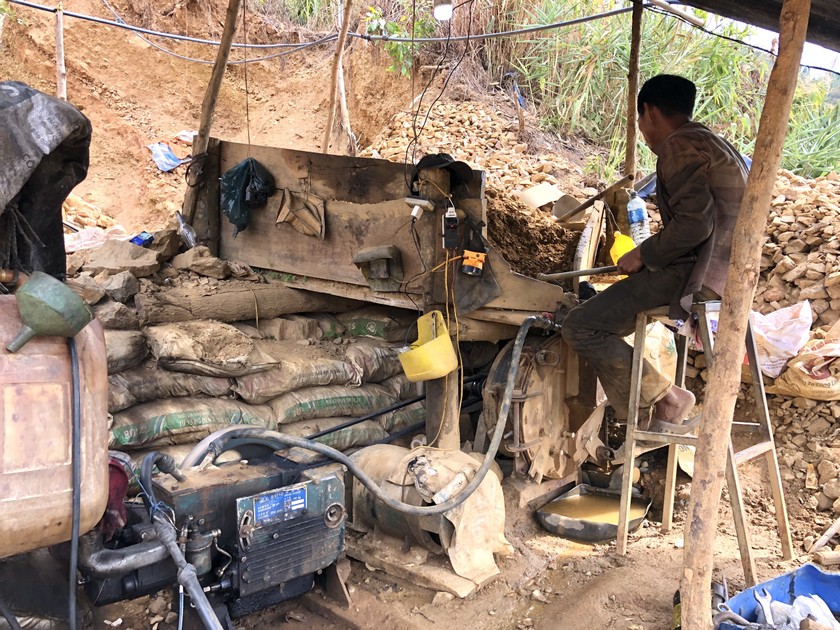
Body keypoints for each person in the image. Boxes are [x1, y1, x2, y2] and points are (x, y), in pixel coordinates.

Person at [561, 74, 749, 432]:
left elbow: (694, 226)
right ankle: (660, 400)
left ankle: (667, 398)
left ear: (649, 110)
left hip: (699, 273)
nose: (644, 133)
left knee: (582, 326)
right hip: (726, 272)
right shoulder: (712, 142)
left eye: (641, 121)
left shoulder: (679, 146)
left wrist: (643, 255)